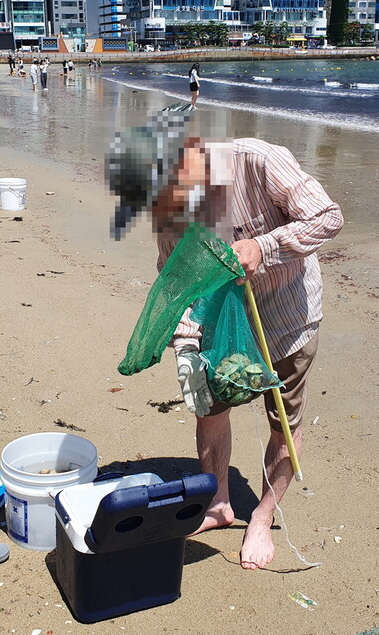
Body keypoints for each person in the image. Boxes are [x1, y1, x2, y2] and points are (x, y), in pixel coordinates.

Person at [108, 111, 343, 569]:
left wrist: (265, 246)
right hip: (218, 324)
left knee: (283, 424)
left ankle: (261, 516)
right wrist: (186, 343)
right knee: (209, 410)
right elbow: (173, 280)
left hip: (286, 318)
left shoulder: (257, 161)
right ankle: (218, 504)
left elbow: (328, 217)